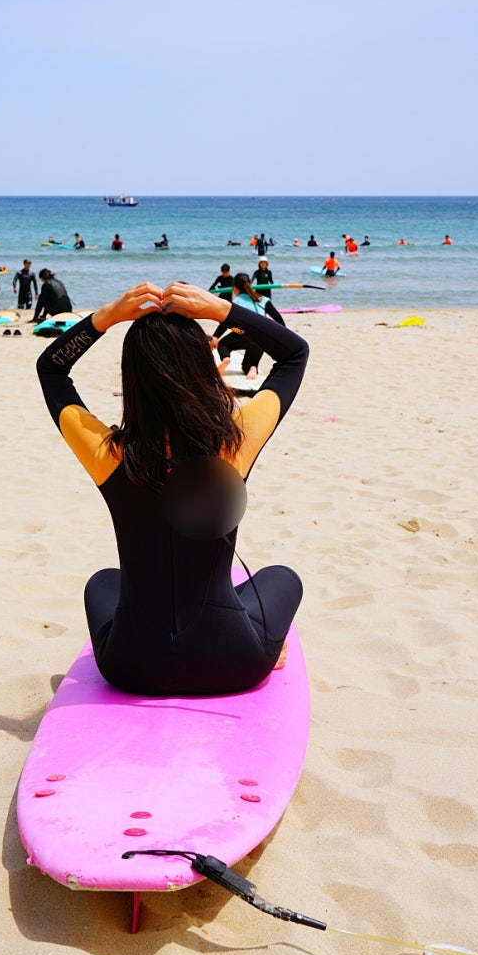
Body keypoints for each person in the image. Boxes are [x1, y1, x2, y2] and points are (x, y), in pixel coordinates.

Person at [35, 280, 308, 697]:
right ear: (202, 369)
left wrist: (106, 316)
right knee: (281, 577)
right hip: (235, 662)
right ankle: (264, 639)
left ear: (133, 378)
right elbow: (293, 355)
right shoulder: (234, 442)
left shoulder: (111, 454)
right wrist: (221, 310)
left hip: (130, 667)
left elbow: (51, 368)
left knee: (105, 581)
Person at [211, 271, 286, 380]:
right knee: (247, 365)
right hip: (262, 338)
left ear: (235, 287)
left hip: (243, 334)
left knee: (223, 344)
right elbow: (280, 322)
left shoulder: (236, 302)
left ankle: (226, 359)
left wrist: (216, 336)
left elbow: (225, 322)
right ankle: (253, 368)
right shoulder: (263, 299)